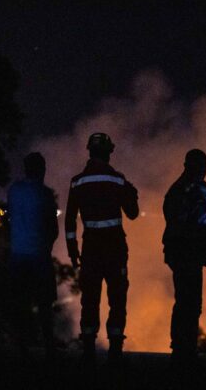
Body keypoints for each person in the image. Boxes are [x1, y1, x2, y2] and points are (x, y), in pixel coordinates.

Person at [65, 133, 139, 364]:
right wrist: (132, 193)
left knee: (90, 300)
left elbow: (69, 220)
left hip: (90, 250)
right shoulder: (117, 180)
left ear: (89, 151)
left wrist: (72, 250)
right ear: (108, 152)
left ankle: (88, 350)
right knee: (117, 300)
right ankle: (115, 351)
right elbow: (133, 213)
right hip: (115, 250)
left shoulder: (77, 181)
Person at [162, 149, 206, 368]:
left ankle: (186, 349)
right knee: (186, 302)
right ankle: (181, 350)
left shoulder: (199, 188)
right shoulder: (181, 191)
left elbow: (205, 219)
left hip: (192, 252)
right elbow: (180, 227)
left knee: (191, 303)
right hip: (183, 253)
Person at [7, 152, 59, 355]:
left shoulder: (14, 191)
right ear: (42, 170)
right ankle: (49, 347)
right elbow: (52, 228)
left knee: (21, 304)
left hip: (17, 255)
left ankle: (22, 348)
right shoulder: (45, 193)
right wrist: (46, 246)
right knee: (45, 304)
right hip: (39, 256)